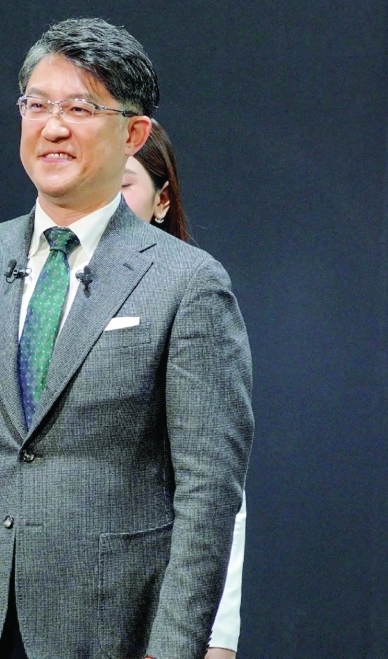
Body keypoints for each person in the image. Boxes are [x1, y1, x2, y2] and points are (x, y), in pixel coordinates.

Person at [0, 18, 253, 659]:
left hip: (111, 632)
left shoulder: (188, 282)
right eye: (37, 105)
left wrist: (175, 649)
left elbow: (208, 492)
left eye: (80, 108)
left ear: (133, 133)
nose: (53, 127)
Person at [121, 118, 246, 659]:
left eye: (122, 184)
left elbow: (216, 488)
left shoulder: (193, 291)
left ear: (162, 199)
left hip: (157, 617)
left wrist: (214, 638)